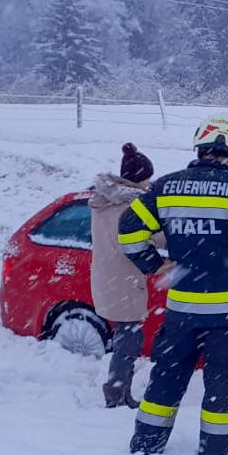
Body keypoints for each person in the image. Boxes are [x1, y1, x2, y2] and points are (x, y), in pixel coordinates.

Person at [118, 113, 228, 455]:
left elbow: (128, 231)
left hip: (183, 310)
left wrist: (154, 264)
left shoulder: (166, 187)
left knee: (167, 377)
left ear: (200, 147)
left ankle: (146, 447)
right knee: (222, 385)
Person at [90, 143, 170, 409]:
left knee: (127, 338)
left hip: (110, 276)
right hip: (123, 279)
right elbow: (138, 239)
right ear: (139, 179)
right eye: (147, 178)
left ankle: (120, 391)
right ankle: (115, 395)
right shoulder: (127, 207)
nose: (150, 183)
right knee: (129, 341)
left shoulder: (104, 202)